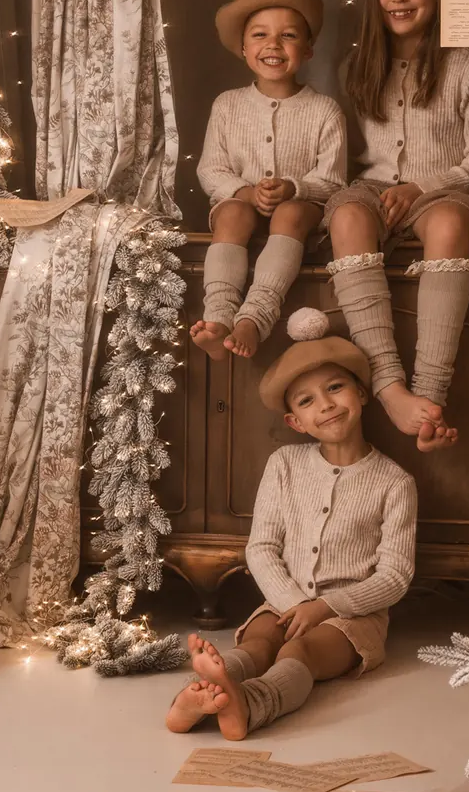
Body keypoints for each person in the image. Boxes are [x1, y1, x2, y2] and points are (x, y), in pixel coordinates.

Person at [166, 308, 417, 739]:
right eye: (307, 401)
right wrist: (293, 602)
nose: (326, 405)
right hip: (283, 604)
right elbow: (261, 547)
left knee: (300, 651)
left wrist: (325, 608)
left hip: (352, 616)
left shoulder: (395, 482)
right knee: (259, 642)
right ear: (294, 422)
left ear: (361, 393)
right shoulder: (283, 463)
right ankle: (198, 694)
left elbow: (395, 576)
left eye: (335, 388)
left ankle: (251, 704)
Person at [325, 0, 469, 454]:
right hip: (373, 189)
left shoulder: (466, 66)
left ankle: (428, 396)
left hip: (446, 190)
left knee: (449, 222)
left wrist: (422, 187)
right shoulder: (356, 67)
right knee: (347, 216)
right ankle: (388, 385)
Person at [192, 0, 347, 362]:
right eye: (260, 35)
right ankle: (219, 316)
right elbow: (211, 169)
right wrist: (244, 192)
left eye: (288, 36)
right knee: (231, 214)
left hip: (301, 211)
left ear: (308, 49)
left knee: (289, 214)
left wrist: (294, 189)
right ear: (244, 48)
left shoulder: (325, 110)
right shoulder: (227, 105)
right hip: (241, 204)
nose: (273, 45)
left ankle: (255, 316)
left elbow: (332, 180)